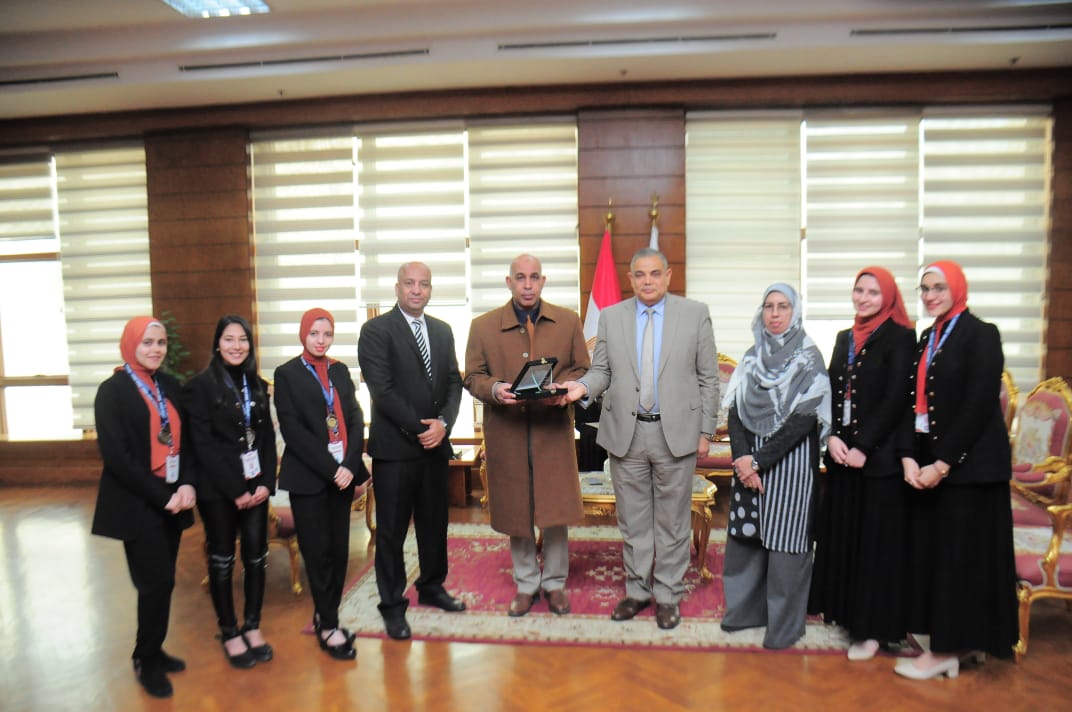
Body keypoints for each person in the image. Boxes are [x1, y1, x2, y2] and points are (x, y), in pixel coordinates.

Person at [561, 247, 719, 630]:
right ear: (630, 279)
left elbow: (708, 378)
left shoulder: (694, 314)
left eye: (655, 273)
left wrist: (705, 431)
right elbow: (601, 371)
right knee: (633, 521)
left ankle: (667, 595)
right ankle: (637, 590)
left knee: (673, 522)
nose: (648, 281)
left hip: (675, 434)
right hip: (626, 434)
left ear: (668, 276)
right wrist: (582, 387)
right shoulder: (612, 317)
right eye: (640, 275)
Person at [894, 261, 1018, 679]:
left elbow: (978, 404)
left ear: (958, 289)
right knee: (941, 557)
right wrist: (909, 456)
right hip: (933, 464)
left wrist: (943, 463)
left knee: (962, 560)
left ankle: (947, 651)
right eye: (925, 288)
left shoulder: (982, 334)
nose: (930, 296)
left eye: (939, 288)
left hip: (971, 470)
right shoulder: (928, 337)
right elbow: (913, 402)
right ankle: (965, 641)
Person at [464, 254, 590, 617]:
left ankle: (554, 583)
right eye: (520, 277)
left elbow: (583, 369)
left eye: (534, 277)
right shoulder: (483, 326)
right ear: (509, 282)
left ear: (543, 281)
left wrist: (564, 389)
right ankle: (526, 584)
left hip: (553, 433)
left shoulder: (568, 321)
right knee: (516, 508)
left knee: (555, 509)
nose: (528, 284)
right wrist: (494, 388)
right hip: (507, 434)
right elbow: (471, 376)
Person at [807, 268, 916, 661]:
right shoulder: (844, 337)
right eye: (859, 290)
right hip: (843, 455)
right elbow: (832, 392)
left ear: (887, 297)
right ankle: (846, 614)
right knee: (845, 537)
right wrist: (832, 436)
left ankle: (873, 631)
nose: (864, 298)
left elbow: (896, 398)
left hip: (878, 460)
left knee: (873, 547)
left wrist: (864, 446)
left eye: (873, 292)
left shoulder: (901, 337)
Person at [720, 283, 831, 650]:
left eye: (784, 306)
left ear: (795, 312)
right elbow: (735, 410)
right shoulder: (752, 357)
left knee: (786, 544)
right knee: (746, 539)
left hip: (790, 463)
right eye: (769, 306)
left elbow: (804, 421)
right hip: (748, 460)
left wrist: (758, 461)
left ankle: (783, 626)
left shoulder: (809, 359)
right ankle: (744, 613)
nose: (775, 313)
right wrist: (742, 458)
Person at [358, 262, 466, 640]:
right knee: (391, 532)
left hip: (435, 448)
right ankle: (392, 605)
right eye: (409, 283)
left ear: (431, 289)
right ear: (397, 288)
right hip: (395, 451)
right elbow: (382, 390)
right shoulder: (376, 331)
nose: (417, 290)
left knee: (434, 525)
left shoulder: (442, 330)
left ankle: (432, 587)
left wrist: (444, 425)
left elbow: (453, 382)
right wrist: (423, 430)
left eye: (424, 284)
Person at [91, 316, 197, 699]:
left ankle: (153, 649)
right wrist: (163, 496)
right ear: (130, 344)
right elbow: (117, 458)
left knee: (163, 581)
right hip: (138, 503)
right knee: (155, 582)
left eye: (161, 343)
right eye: (147, 342)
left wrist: (186, 483)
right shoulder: (112, 391)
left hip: (173, 498)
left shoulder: (169, 385)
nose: (156, 349)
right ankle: (146, 659)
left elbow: (188, 442)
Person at [274, 308, 369, 661]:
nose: (321, 340)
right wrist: (333, 469)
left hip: (342, 476)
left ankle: (325, 616)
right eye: (314, 333)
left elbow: (356, 418)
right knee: (318, 554)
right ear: (303, 334)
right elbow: (293, 432)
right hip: (310, 479)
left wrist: (349, 464)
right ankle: (328, 626)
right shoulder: (287, 374)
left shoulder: (339, 371)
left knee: (339, 553)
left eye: (327, 334)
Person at [184, 315, 278, 668]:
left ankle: (252, 626)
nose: (236, 346)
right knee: (222, 559)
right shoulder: (199, 387)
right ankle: (229, 631)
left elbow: (265, 438)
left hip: (256, 489)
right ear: (217, 344)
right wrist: (236, 490)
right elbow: (203, 446)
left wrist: (265, 483)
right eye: (229, 339)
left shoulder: (258, 384)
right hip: (218, 491)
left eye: (243, 339)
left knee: (256, 557)